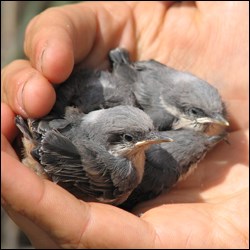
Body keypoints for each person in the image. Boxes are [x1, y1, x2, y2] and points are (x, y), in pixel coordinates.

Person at [1, 1, 249, 248]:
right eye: (132, 138)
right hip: (47, 144)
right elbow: (53, 158)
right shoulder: (125, 175)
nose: (157, 138)